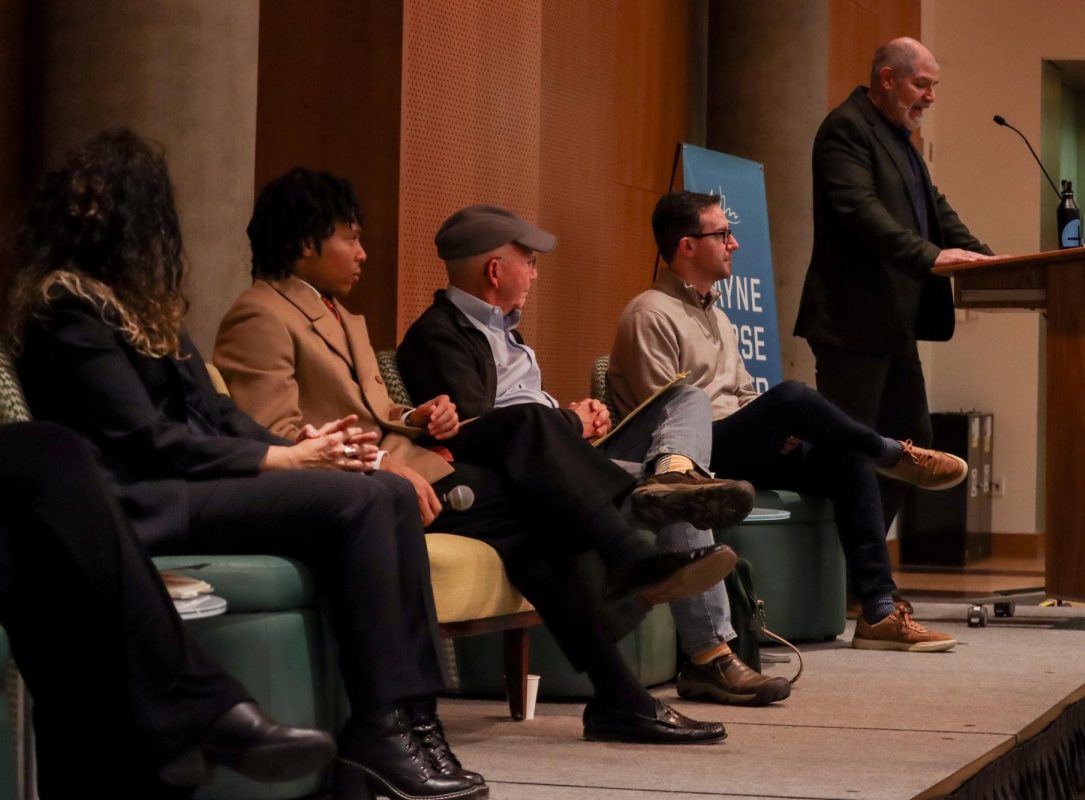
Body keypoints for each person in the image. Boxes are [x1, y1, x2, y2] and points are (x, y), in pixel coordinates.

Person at [7, 128, 486, 800]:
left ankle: (411, 721)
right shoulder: (67, 310)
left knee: (382, 490)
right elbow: (143, 439)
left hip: (193, 483)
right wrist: (280, 457)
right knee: (356, 501)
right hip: (142, 499)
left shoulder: (147, 312)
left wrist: (311, 448)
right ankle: (381, 728)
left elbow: (219, 416)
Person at [213, 167, 732, 742]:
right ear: (306, 243)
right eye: (350, 237)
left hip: (416, 464)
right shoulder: (259, 314)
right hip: (366, 487)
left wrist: (415, 416)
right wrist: (384, 469)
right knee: (533, 453)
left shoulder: (343, 316)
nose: (363, 253)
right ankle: (627, 569)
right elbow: (276, 434)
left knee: (538, 522)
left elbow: (377, 412)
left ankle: (621, 681)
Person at [398, 204, 792, 706]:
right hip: (517, 475)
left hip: (565, 454)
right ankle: (709, 655)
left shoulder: (507, 331)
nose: (537, 271)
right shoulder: (438, 335)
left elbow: (530, 416)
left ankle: (672, 473)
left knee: (685, 405)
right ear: (495, 270)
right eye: (530, 260)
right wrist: (568, 422)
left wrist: (575, 416)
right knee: (669, 501)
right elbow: (483, 432)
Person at [608, 190, 967, 653]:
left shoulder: (716, 313)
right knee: (794, 396)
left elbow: (742, 394)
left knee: (846, 456)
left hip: (739, 444)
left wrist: (776, 431)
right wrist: (772, 420)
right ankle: (892, 452)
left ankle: (878, 610)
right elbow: (665, 418)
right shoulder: (649, 313)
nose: (734, 244)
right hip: (687, 462)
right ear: (687, 246)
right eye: (722, 234)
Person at [0, 421, 334, 799]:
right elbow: (144, 431)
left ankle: (401, 727)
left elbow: (213, 411)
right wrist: (286, 455)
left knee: (37, 560)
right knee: (47, 450)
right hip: (149, 480)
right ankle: (189, 711)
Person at [794, 37, 995, 529]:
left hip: (891, 325)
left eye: (934, 86)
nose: (931, 97)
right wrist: (931, 257)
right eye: (921, 85)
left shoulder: (897, 136)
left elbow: (934, 210)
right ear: (887, 79)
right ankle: (843, 575)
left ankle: (862, 571)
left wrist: (989, 261)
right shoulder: (846, 129)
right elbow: (860, 212)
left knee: (911, 444)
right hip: (851, 324)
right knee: (854, 452)